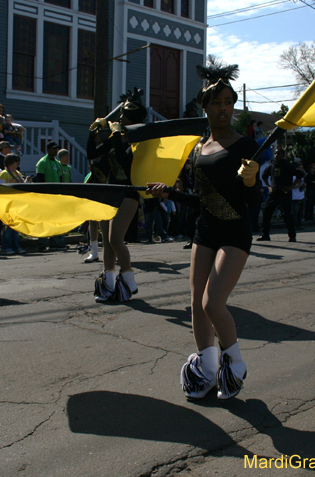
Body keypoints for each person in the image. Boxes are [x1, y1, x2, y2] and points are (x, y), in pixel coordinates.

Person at [147, 59, 260, 400]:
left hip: (235, 232)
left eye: (228, 102)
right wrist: (171, 194)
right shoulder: (197, 150)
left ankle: (235, 364)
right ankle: (208, 370)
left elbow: (254, 201)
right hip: (205, 231)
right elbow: (200, 199)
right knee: (196, 302)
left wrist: (252, 181)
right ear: (204, 106)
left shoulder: (245, 146)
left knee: (214, 302)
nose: (223, 108)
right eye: (216, 103)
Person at [87, 89, 146, 301]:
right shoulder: (116, 136)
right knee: (107, 241)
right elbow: (93, 154)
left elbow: (124, 159)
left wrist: (118, 133)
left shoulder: (139, 139)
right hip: (110, 192)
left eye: (125, 115)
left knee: (115, 238)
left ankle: (129, 277)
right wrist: (93, 132)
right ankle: (109, 283)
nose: (120, 117)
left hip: (128, 192)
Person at [258, 146, 296, 242]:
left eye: (278, 153)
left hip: (284, 193)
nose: (276, 155)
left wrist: (291, 186)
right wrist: (269, 186)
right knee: (267, 211)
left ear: (283, 155)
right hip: (274, 193)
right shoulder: (272, 166)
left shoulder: (288, 166)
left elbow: (300, 175)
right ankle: (265, 234)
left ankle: (292, 235)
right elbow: (264, 176)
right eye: (275, 153)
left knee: (287, 214)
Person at [35, 141, 66, 251]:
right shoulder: (42, 162)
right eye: (53, 149)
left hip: (56, 197)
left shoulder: (58, 164)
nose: (55, 151)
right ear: (48, 150)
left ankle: (55, 242)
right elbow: (40, 180)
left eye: (56, 149)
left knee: (55, 220)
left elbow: (61, 180)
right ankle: (42, 244)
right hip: (46, 196)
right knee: (44, 221)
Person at [0, 154, 26, 254]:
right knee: (8, 227)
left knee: (15, 227)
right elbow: (0, 188)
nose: (17, 163)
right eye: (15, 161)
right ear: (10, 163)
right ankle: (6, 246)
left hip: (17, 203)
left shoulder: (18, 173)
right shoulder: (4, 174)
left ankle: (15, 245)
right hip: (8, 203)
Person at [291, 160, 306, 229]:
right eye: (300, 168)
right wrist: (299, 185)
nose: (301, 169)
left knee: (300, 212)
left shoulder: (302, 176)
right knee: (295, 212)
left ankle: (299, 225)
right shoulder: (294, 177)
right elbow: (292, 186)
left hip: (301, 195)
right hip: (295, 196)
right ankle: (294, 225)